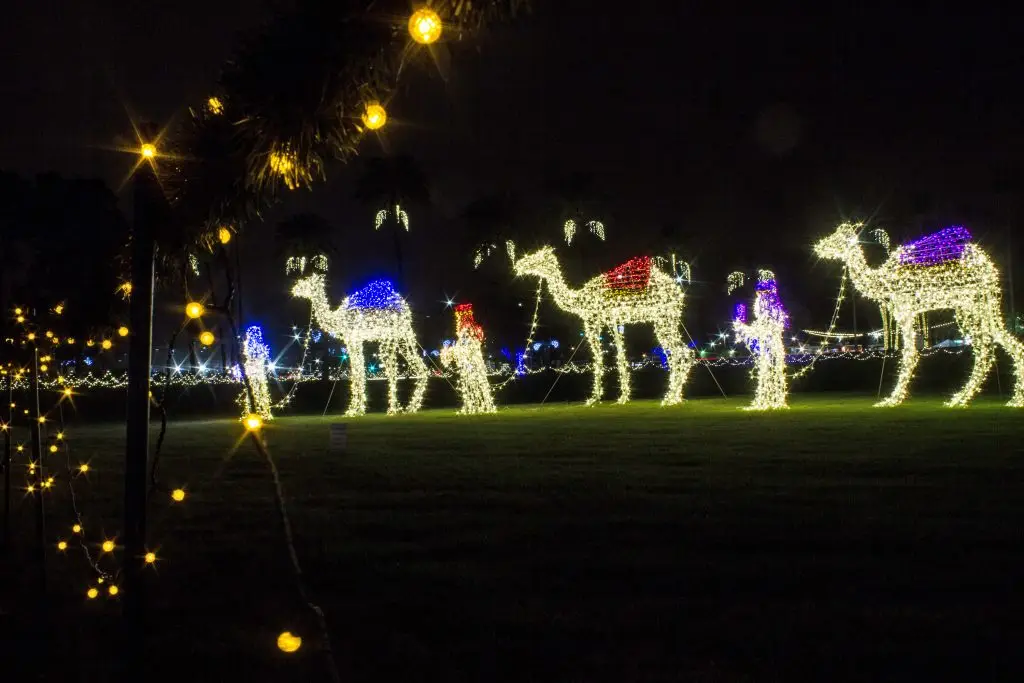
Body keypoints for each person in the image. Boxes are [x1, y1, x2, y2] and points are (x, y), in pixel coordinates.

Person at [734, 273, 789, 410]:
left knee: (771, 371)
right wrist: (743, 328)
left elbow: (772, 326)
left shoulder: (772, 308)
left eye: (762, 293)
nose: (760, 296)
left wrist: (745, 329)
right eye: (759, 293)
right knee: (767, 372)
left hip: (772, 346)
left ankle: (773, 400)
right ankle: (767, 400)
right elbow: (762, 327)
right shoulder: (770, 307)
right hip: (768, 347)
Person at [440, 303, 496, 414]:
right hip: (470, 365)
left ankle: (480, 405)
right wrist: (448, 351)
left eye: (459, 315)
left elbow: (467, 346)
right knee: (473, 385)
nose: (458, 318)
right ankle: (479, 405)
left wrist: (449, 351)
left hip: (473, 364)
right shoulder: (469, 332)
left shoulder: (469, 331)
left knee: (475, 384)